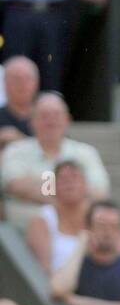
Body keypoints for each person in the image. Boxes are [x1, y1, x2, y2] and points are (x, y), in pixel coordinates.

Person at [0, 93, 110, 229]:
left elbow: (99, 192)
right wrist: (70, 196)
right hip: (20, 235)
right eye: (44, 116)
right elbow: (15, 185)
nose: (51, 121)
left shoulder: (86, 153)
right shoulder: (16, 151)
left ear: (67, 120)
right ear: (31, 122)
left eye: (56, 115)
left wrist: (38, 188)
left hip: (76, 232)